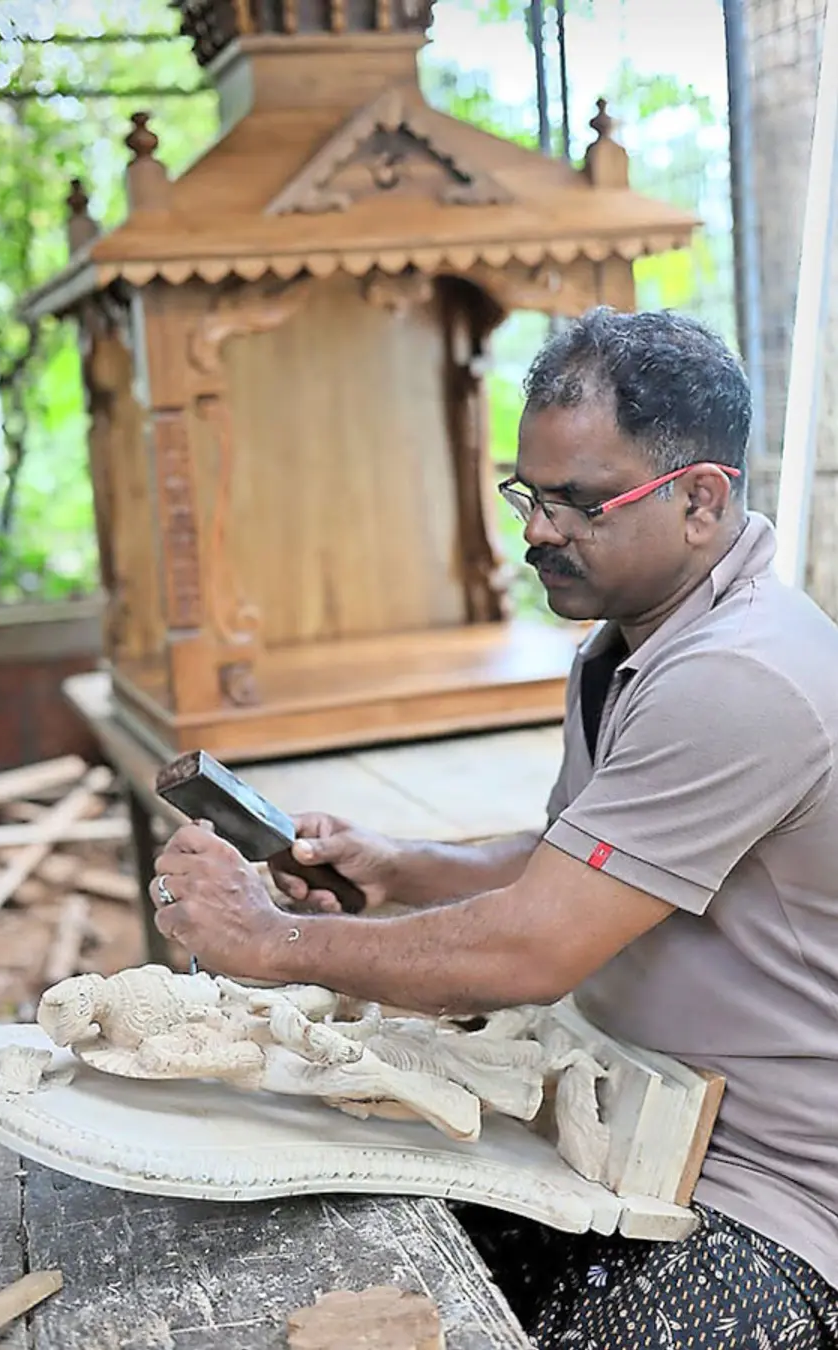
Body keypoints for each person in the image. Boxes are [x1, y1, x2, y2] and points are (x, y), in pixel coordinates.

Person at [149, 308, 838, 1347]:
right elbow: (582, 860)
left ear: (701, 500)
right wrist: (399, 869)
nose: (535, 532)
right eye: (527, 493)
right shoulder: (633, 640)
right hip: (622, 1126)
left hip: (766, 1197)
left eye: (579, 502)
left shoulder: (734, 677)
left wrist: (267, 943)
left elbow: (530, 948)